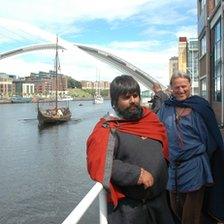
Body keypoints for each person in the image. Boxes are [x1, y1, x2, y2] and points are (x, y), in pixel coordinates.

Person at [86, 75, 175, 224]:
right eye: (126, 97)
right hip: (130, 210)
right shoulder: (107, 128)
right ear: (115, 102)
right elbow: (98, 163)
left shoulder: (150, 119)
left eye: (135, 95)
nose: (133, 100)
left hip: (159, 204)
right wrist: (135, 174)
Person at [158, 71, 224, 224]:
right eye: (176, 87)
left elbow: (210, 140)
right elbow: (158, 130)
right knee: (176, 209)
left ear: (189, 86)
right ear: (171, 89)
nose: (181, 90)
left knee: (190, 214)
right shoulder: (165, 109)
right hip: (174, 168)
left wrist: (200, 159)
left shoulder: (199, 107)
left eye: (184, 86)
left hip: (195, 165)